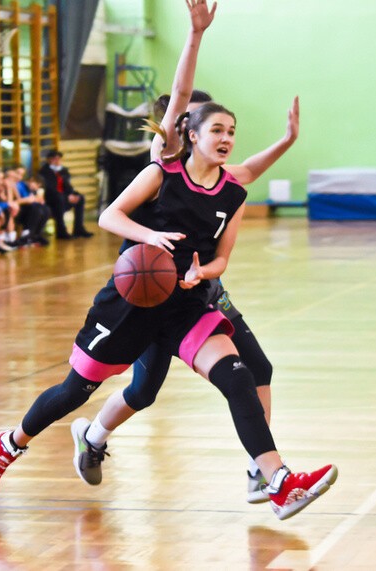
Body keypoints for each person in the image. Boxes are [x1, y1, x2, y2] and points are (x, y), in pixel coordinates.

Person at [0, 99, 337, 521]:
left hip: (185, 304)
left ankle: (277, 481)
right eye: (217, 130)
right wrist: (152, 236)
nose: (226, 139)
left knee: (239, 376)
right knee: (75, 391)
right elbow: (111, 215)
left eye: (232, 131)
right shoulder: (161, 172)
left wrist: (204, 272)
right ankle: (10, 444)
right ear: (193, 135)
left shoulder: (234, 192)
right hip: (131, 304)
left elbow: (222, 259)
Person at [70, 0, 300, 505]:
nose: (218, 134)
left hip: (203, 290)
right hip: (153, 289)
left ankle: (262, 470)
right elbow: (178, 94)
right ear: (182, 129)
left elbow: (244, 174)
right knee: (144, 391)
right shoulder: (164, 163)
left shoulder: (215, 175)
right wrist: (196, 35)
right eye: (204, 123)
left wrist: (285, 141)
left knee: (254, 369)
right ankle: (92, 436)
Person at [38, 149, 93, 239]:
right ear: (49, 160)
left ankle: (79, 228)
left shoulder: (63, 171)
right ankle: (61, 231)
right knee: (59, 199)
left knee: (80, 198)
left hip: (63, 198)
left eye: (59, 159)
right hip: (52, 200)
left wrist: (71, 194)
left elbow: (67, 185)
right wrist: (66, 196)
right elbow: (49, 189)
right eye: (55, 159)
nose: (58, 161)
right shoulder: (44, 172)